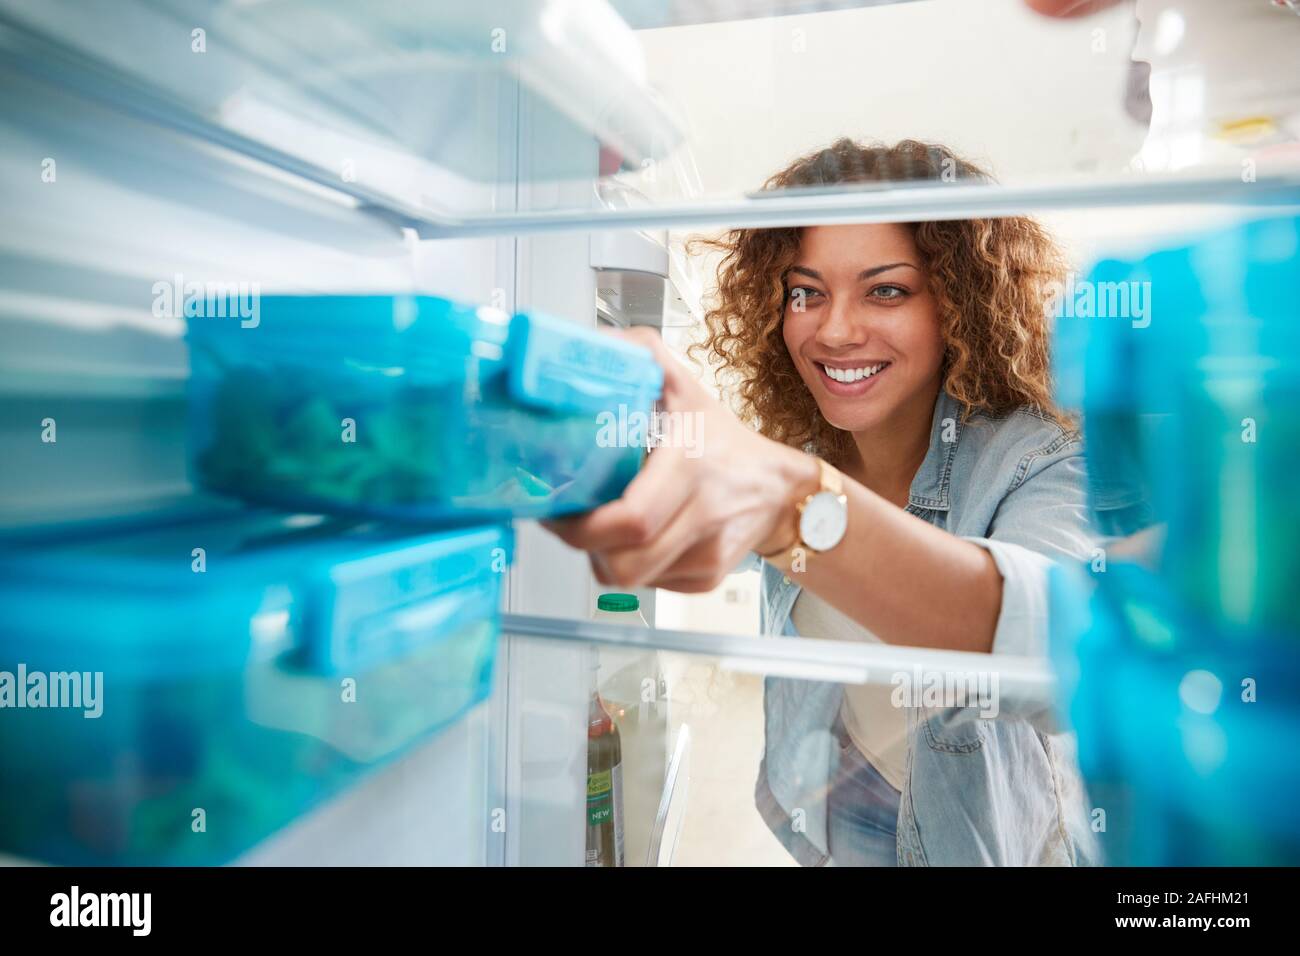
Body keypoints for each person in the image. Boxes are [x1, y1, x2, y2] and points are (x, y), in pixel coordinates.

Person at [544, 139, 1102, 865]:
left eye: (886, 290)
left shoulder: (1040, 457)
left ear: (958, 302)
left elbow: (1058, 645)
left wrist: (791, 506)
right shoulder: (809, 445)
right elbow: (703, 504)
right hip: (830, 830)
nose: (835, 329)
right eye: (806, 292)